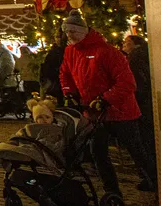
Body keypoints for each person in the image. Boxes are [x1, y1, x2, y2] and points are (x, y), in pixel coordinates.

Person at [59, 10, 156, 195]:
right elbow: (65, 74)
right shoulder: (70, 51)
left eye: (73, 31)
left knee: (136, 151)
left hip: (121, 112)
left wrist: (106, 98)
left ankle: (155, 182)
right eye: (67, 31)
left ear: (84, 31)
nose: (69, 35)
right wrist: (69, 92)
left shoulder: (106, 51)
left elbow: (127, 82)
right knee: (98, 153)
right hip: (95, 114)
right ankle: (111, 191)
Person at [122, 34, 154, 162]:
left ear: (137, 44)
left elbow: (137, 82)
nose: (124, 44)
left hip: (141, 103)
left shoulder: (135, 57)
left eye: (127, 42)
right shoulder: (144, 54)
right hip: (147, 100)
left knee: (144, 139)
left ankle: (149, 175)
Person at [39, 33, 66, 100]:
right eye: (57, 37)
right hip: (55, 81)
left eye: (60, 37)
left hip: (62, 80)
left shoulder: (68, 50)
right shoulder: (52, 52)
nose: (58, 39)